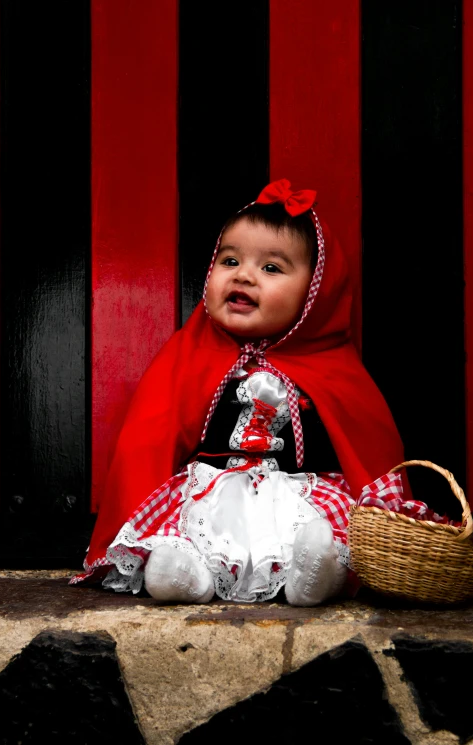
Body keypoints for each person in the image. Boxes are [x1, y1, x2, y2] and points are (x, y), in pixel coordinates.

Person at [71, 178, 404, 605]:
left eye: (271, 268)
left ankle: (315, 574)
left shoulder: (333, 367)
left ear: (314, 292)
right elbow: (148, 440)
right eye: (230, 260)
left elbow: (370, 447)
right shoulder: (189, 355)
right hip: (217, 489)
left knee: (320, 529)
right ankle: (185, 573)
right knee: (189, 523)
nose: (244, 275)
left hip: (299, 490)